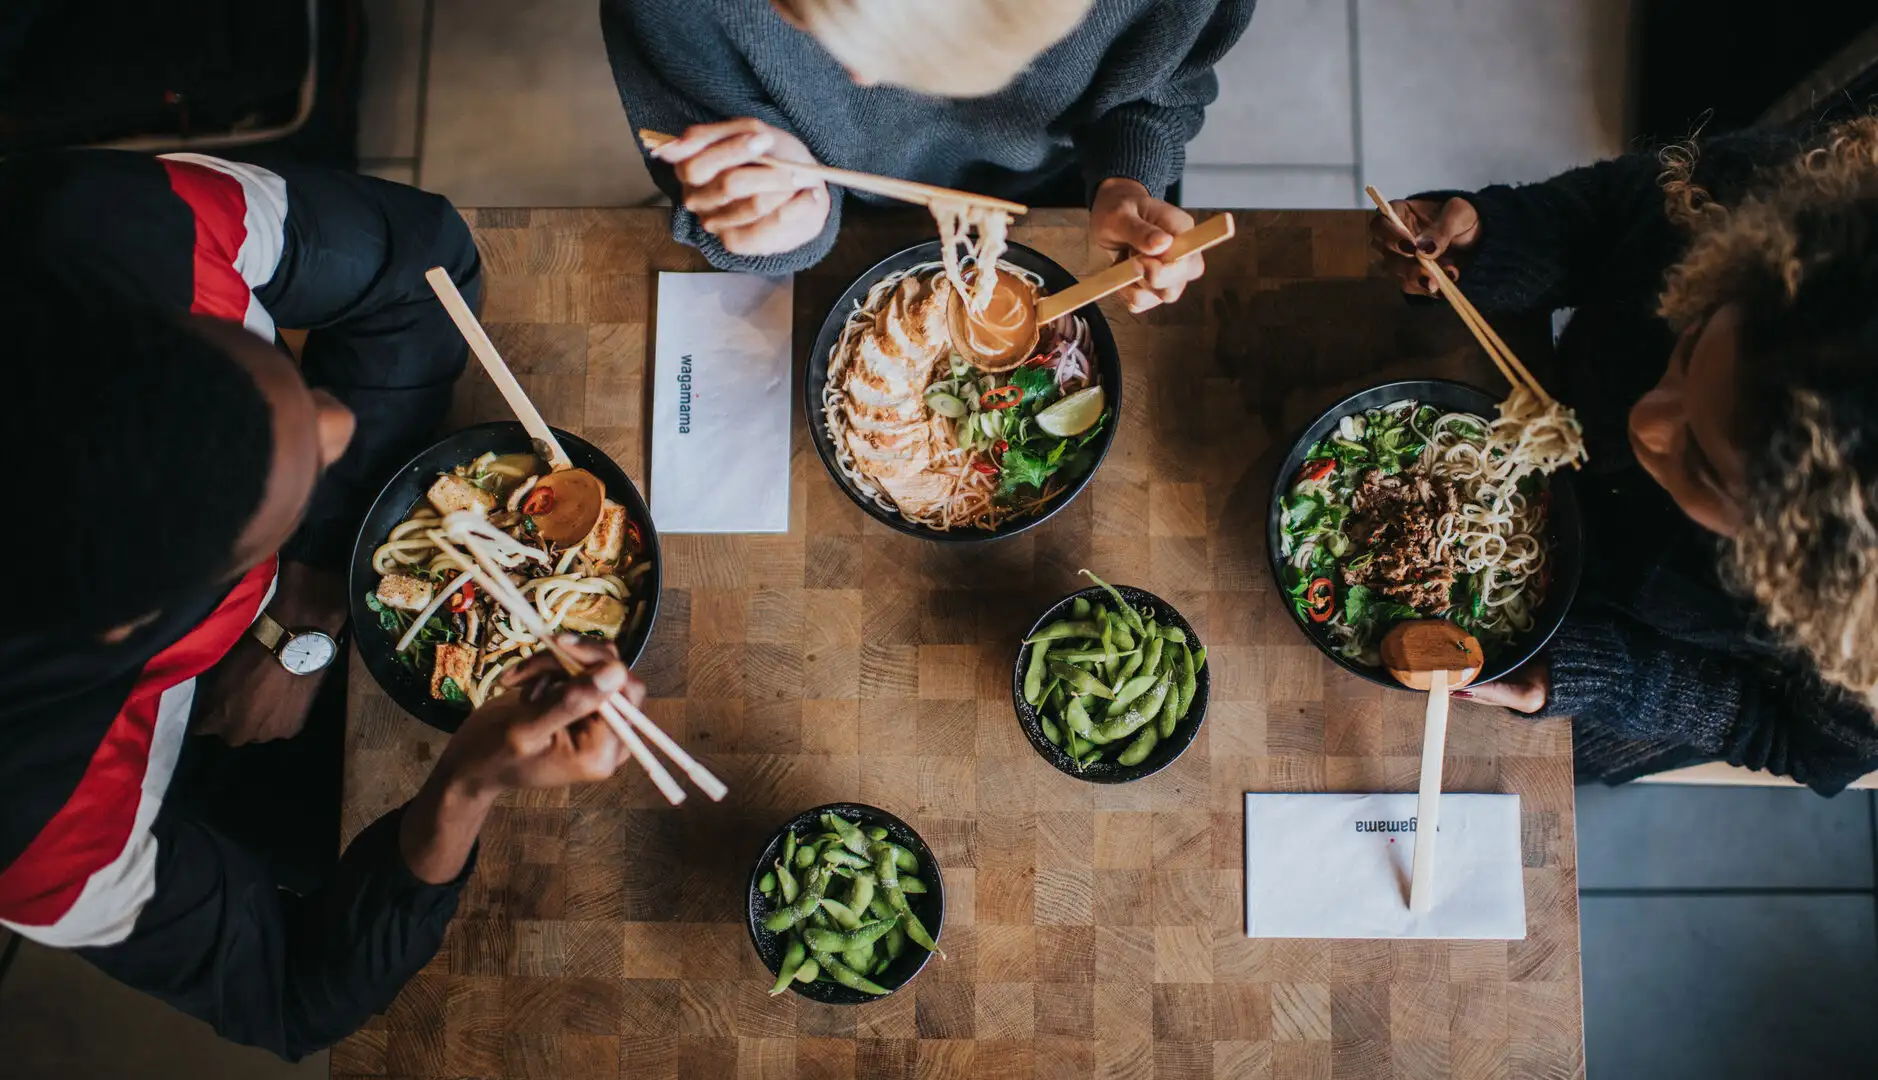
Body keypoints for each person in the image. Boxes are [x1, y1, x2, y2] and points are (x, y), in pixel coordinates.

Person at [0, 151, 643, 1059]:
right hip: (178, 789)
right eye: (297, 485)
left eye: (285, 381)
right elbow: (295, 991)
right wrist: (468, 783)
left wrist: (305, 599)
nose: (340, 425)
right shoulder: (36, 829)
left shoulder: (114, 226)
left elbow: (426, 268)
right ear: (145, 626)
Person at [1370, 117, 1878, 794]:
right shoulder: (1780, 206)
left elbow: (1791, 736)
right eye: (1691, 347)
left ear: (1805, 563)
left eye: (1702, 466)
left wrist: (1595, 676)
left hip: (1613, 668)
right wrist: (1497, 238)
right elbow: (1615, 215)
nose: (1646, 421)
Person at [601, 0, 1254, 312]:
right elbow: (702, 161)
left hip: (1060, 190)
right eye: (810, 21)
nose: (856, 75)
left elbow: (1160, 85)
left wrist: (1127, 174)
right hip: (840, 214)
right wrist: (775, 215)